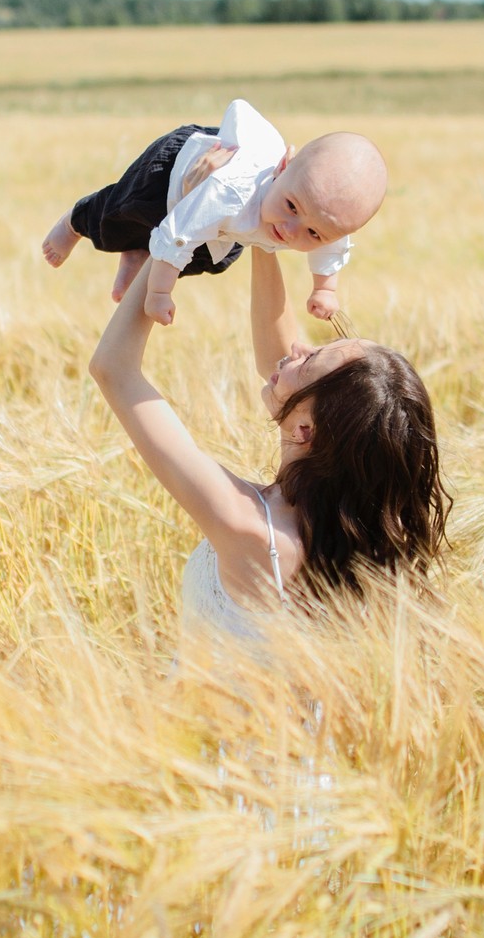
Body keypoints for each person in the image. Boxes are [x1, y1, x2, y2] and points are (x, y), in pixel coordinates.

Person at [88, 241, 450, 658]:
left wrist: (174, 235)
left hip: (209, 725)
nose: (295, 349)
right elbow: (280, 363)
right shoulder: (355, 533)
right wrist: (262, 238)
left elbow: (113, 368)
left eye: (310, 360)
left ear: (304, 432)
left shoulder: (248, 526)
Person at [43, 98, 387, 325]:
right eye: (291, 207)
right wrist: (159, 293)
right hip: (174, 173)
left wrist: (325, 289)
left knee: (215, 260)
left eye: (314, 234)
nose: (291, 229)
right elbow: (179, 232)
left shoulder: (324, 215)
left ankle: (139, 252)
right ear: (283, 166)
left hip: (220, 222)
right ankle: (74, 222)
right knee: (118, 214)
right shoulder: (231, 192)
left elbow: (334, 246)